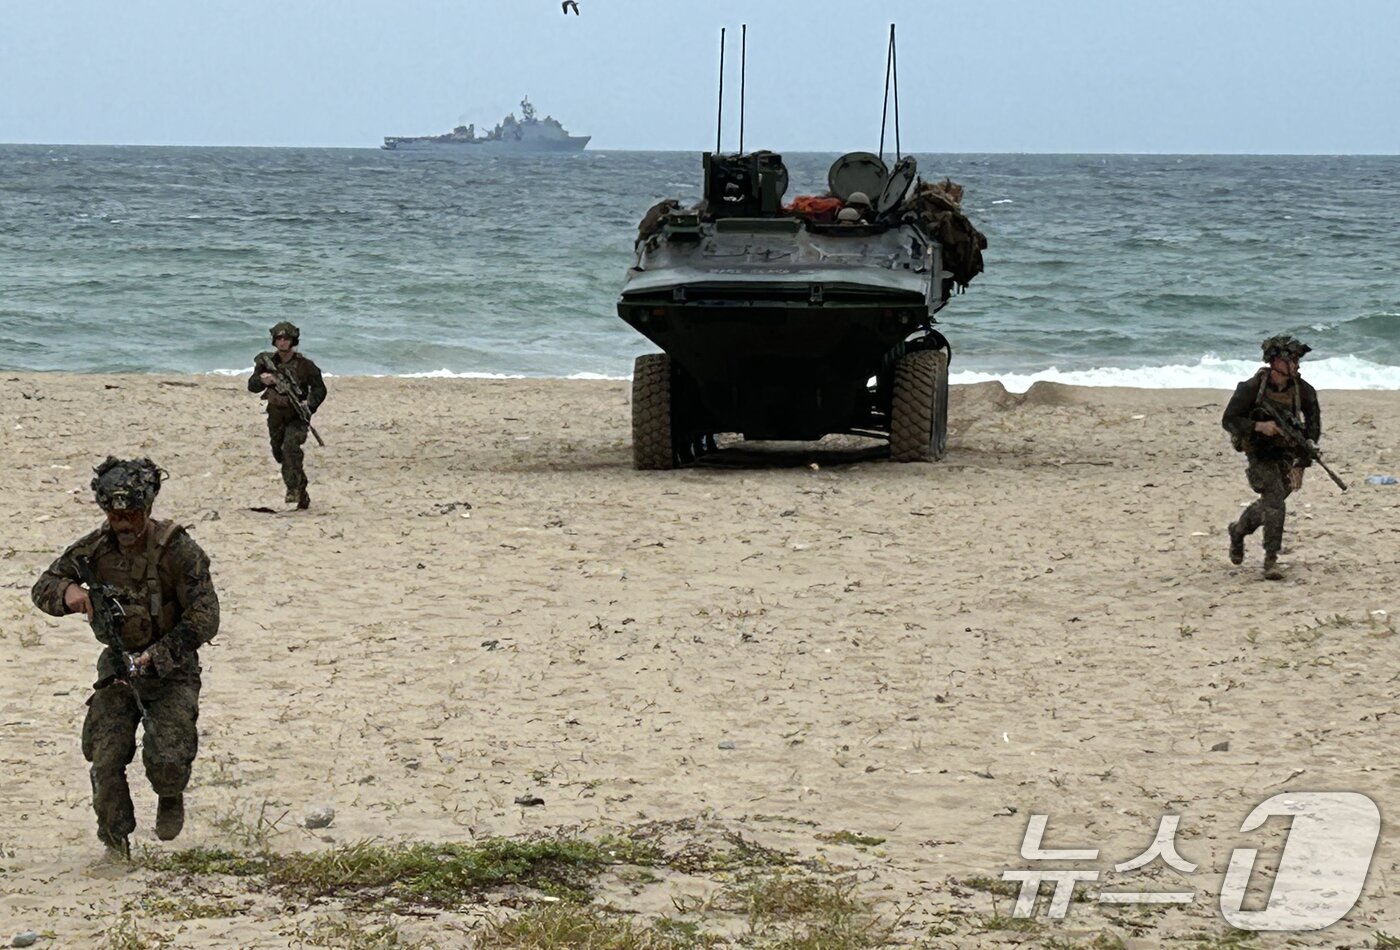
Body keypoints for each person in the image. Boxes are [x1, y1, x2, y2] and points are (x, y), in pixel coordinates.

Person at [30, 458, 219, 856]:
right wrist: (67, 594)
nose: (124, 523)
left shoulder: (179, 551)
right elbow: (44, 584)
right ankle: (115, 841)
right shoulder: (93, 550)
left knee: (167, 759)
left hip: (172, 669)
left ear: (147, 509)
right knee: (105, 756)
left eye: (131, 513)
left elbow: (205, 618)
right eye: (115, 515)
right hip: (118, 666)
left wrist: (158, 655)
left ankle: (170, 794)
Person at [1221, 335, 1322, 579]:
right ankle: (1271, 560)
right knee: (1275, 501)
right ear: (1276, 362)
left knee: (1271, 503)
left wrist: (1302, 462)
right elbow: (1229, 420)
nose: (1297, 365)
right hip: (1259, 453)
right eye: (1292, 360)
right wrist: (1258, 427)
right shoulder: (1251, 389)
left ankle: (1238, 530)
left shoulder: (1304, 391)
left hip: (1287, 454)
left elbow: (1312, 430)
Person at [248, 321, 326, 509]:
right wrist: (263, 380)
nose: (282, 342)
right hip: (275, 414)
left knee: (291, 447)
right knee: (279, 452)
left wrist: (309, 405)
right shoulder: (267, 362)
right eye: (279, 338)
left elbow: (320, 389)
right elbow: (252, 386)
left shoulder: (305, 365)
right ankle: (301, 487)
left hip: (297, 416)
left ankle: (292, 488)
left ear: (293, 341)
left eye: (286, 338)